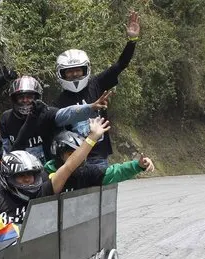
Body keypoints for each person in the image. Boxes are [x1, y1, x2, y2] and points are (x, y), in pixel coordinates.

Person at [0, 117, 111, 225]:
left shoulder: (43, 192)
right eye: (21, 176)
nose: (28, 179)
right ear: (8, 178)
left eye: (31, 175)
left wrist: (92, 137)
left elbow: (69, 166)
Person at [54, 10, 141, 168]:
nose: (74, 75)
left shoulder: (96, 84)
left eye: (78, 70)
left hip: (99, 156)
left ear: (85, 70)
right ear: (62, 74)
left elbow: (120, 65)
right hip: (74, 159)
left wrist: (132, 40)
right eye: (69, 71)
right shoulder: (60, 102)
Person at [0, 76, 111, 163]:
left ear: (37, 98)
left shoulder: (46, 113)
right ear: (14, 99)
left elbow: (68, 113)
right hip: (20, 170)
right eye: (21, 97)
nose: (25, 100)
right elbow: (5, 150)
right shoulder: (6, 118)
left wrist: (90, 107)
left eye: (29, 97)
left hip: (48, 170)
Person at [44, 130, 155, 192]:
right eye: (70, 154)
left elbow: (115, 172)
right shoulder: (44, 177)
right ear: (58, 155)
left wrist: (138, 165)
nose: (77, 157)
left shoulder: (85, 172)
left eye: (79, 153)